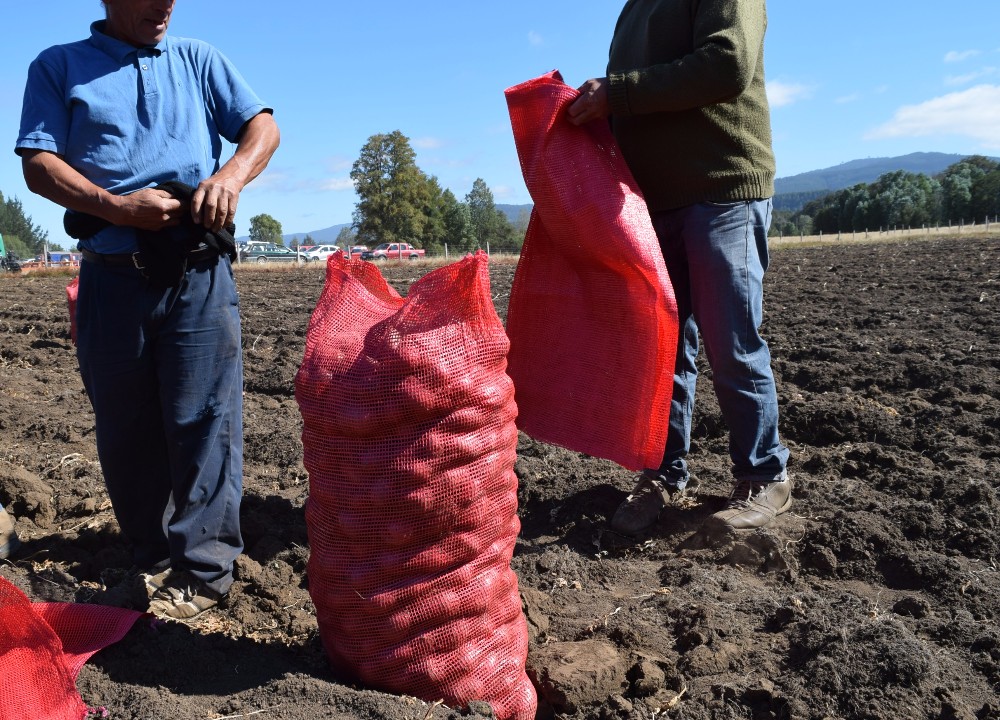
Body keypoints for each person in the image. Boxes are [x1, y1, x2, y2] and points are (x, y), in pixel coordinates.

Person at [16, 0, 280, 618]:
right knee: (126, 427)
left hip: (196, 275)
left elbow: (262, 127)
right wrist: (115, 207)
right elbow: (37, 162)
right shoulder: (59, 67)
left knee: (205, 421)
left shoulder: (197, 60)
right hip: (112, 278)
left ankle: (205, 572)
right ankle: (152, 558)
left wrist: (232, 177)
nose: (163, 5)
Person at [568, 0, 790, 534]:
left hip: (722, 190)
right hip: (653, 204)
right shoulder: (634, 9)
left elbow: (727, 65)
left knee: (731, 340)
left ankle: (765, 476)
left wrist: (616, 93)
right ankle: (664, 473)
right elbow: (631, 103)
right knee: (662, 348)